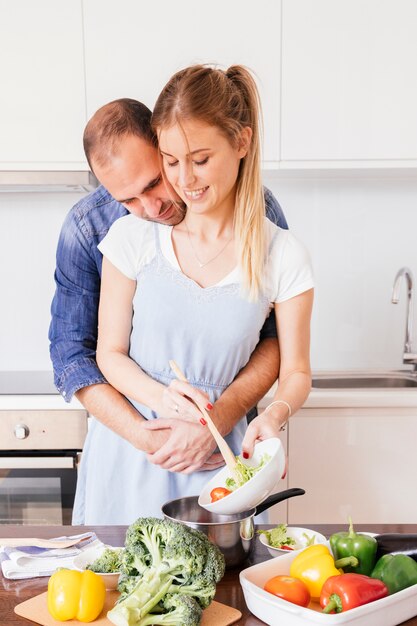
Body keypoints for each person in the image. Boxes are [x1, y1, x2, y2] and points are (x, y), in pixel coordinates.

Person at [48, 97, 288, 523]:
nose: (151, 208)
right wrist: (148, 438)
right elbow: (73, 359)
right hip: (128, 449)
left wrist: (217, 421)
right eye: (128, 200)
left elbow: (276, 342)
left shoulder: (253, 211)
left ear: (167, 149)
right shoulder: (93, 226)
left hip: (219, 447)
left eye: (155, 182)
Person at [92, 66, 313, 524]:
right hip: (136, 453)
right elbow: (108, 354)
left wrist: (271, 418)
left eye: (200, 159)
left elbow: (295, 369)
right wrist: (162, 398)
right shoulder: (131, 238)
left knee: (223, 590)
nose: (185, 180)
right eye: (171, 162)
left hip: (221, 461)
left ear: (242, 143)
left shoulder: (282, 254)